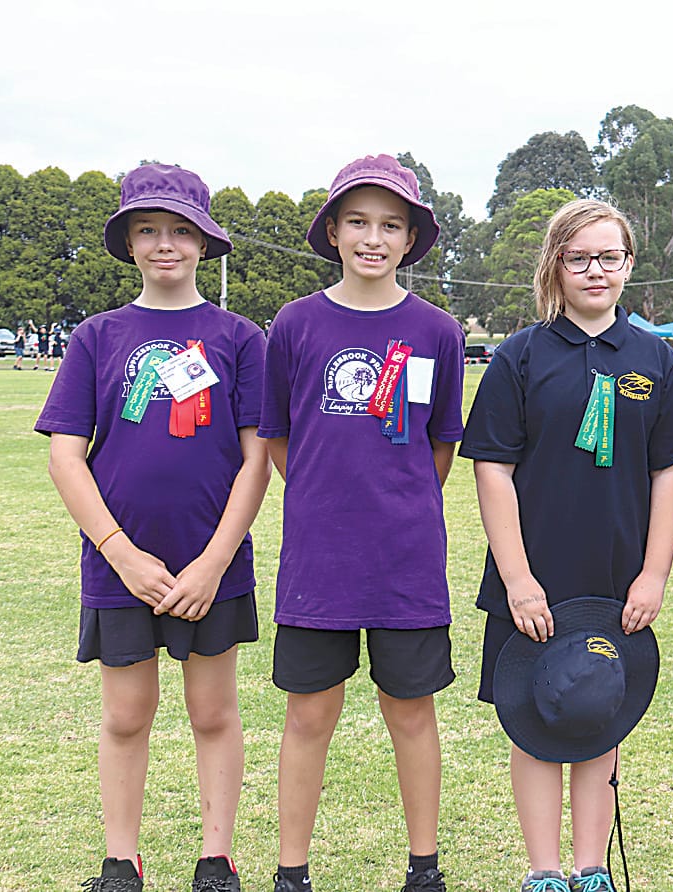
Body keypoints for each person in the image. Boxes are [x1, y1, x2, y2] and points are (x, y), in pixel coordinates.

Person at [36, 163, 269, 892]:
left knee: (212, 711)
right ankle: (120, 859)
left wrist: (213, 561)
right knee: (127, 715)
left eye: (179, 231)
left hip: (213, 563)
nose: (164, 244)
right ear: (129, 243)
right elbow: (67, 455)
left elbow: (257, 458)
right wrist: (120, 552)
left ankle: (216, 856)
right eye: (148, 230)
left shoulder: (237, 337)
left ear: (205, 242)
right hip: (119, 564)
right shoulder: (97, 336)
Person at [460, 198, 673, 892]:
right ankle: (544, 872)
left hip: (615, 575)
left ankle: (591, 869)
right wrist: (518, 578)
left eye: (609, 257)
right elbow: (492, 468)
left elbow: (668, 472)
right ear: (556, 264)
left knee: (598, 713)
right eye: (579, 257)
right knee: (532, 719)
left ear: (628, 265)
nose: (595, 270)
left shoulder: (655, 360)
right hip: (532, 573)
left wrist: (652, 574)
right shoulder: (520, 356)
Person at [259, 154, 464, 892]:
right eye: (357, 222)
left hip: (406, 558)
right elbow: (279, 435)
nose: (372, 238)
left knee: (410, 713)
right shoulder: (296, 323)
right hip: (319, 558)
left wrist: (394, 499)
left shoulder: (437, 331)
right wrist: (327, 494)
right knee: (308, 717)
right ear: (333, 231)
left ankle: (424, 868)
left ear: (411, 238)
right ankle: (292, 872)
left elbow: (440, 445)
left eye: (389, 225)